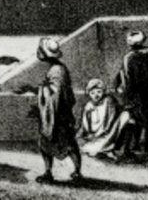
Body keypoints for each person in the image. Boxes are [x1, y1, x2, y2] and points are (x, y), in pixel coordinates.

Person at [33, 38, 82, 183]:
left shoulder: (57, 70)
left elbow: (56, 94)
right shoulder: (57, 68)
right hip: (56, 112)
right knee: (46, 143)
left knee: (67, 144)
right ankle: (48, 172)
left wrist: (41, 91)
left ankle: (77, 171)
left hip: (58, 114)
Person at [78, 79, 134, 159]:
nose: (96, 95)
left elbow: (111, 117)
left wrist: (105, 130)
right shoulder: (88, 105)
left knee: (126, 116)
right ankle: (103, 149)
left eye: (99, 92)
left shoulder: (108, 101)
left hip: (109, 130)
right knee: (91, 148)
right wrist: (90, 132)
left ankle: (110, 148)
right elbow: (85, 122)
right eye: (92, 93)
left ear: (103, 92)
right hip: (95, 134)